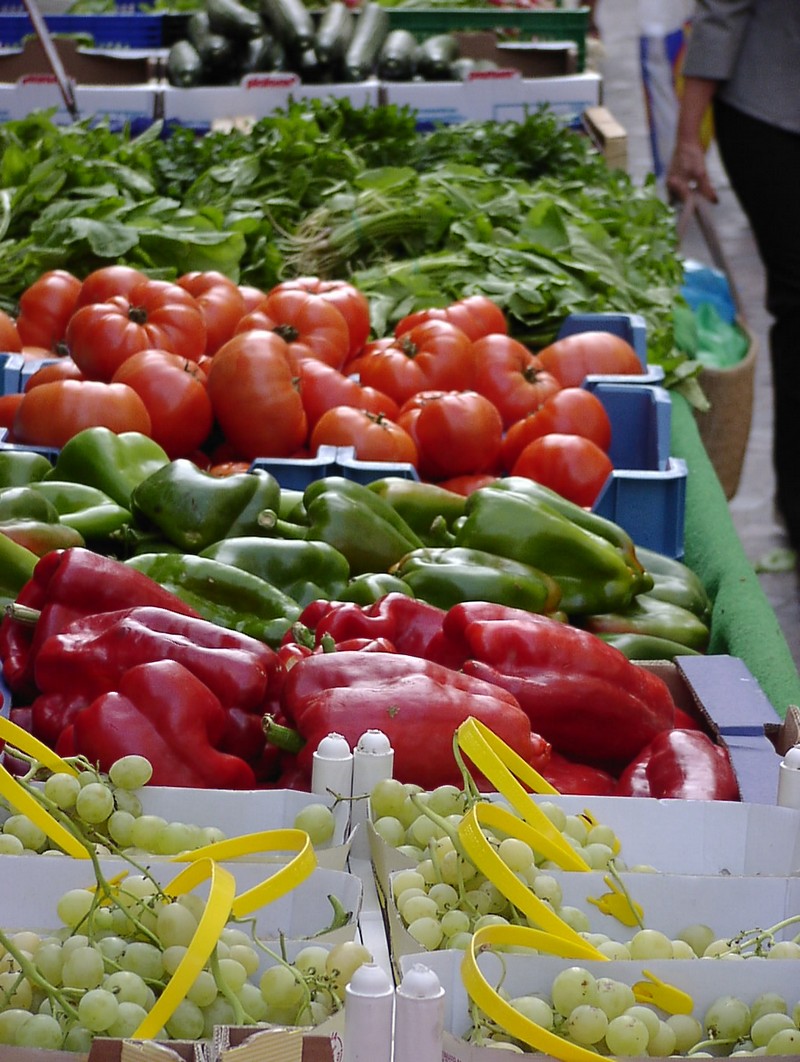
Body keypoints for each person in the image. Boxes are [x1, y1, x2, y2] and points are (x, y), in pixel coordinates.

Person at [666, 0, 800, 550]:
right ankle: (796, 504)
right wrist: (688, 137)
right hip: (771, 112)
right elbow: (722, 11)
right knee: (797, 300)